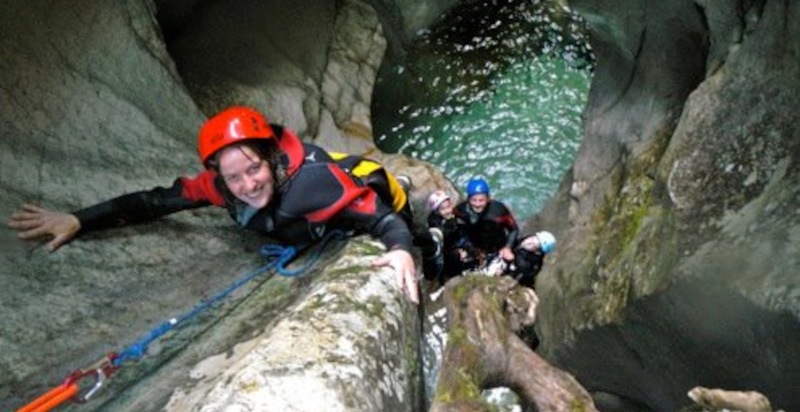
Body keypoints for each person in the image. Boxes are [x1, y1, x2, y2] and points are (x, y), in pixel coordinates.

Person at [7, 106, 420, 304]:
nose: (247, 185)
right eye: (234, 177)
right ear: (219, 176)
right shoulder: (219, 187)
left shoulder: (314, 185)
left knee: (415, 235)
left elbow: (382, 219)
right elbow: (153, 202)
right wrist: (79, 219)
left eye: (254, 169)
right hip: (324, 196)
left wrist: (402, 248)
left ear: (271, 158)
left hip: (368, 187)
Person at [453, 177, 519, 269]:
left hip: (498, 246)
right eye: (474, 200)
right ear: (468, 199)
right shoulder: (461, 210)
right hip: (475, 246)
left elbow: (514, 229)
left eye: (481, 200)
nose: (477, 204)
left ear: (488, 199)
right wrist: (466, 247)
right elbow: (459, 230)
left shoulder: (498, 210)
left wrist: (507, 247)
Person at [425, 190, 476, 284]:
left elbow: (465, 229)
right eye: (443, 209)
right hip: (446, 252)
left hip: (457, 242)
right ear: (437, 211)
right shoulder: (435, 224)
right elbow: (441, 248)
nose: (448, 211)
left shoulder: (455, 214)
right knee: (453, 257)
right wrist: (458, 252)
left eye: (449, 206)